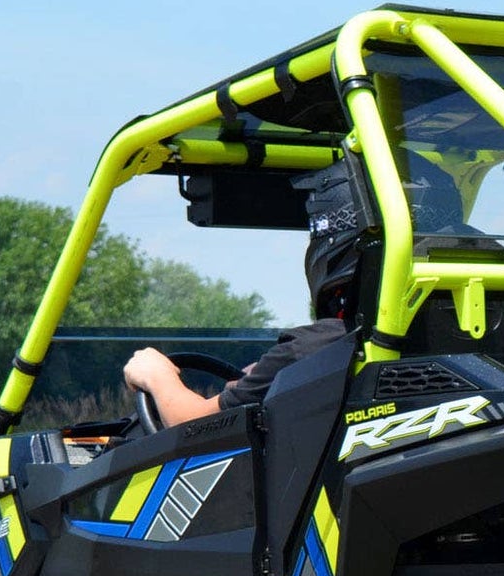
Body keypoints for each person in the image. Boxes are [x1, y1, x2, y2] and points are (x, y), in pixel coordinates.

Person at [122, 163, 368, 426]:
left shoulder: (311, 351)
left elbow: (196, 426)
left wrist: (157, 376)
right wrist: (257, 381)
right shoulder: (392, 345)